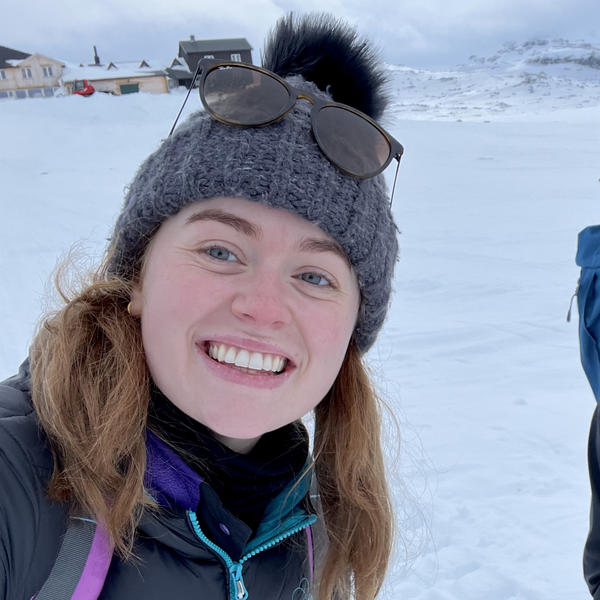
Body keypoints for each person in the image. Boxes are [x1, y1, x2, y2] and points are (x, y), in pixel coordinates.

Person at [0, 13, 403, 600]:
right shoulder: (17, 481)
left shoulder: (318, 525)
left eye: (314, 275)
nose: (263, 308)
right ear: (137, 277)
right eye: (221, 250)